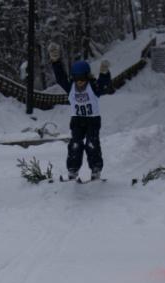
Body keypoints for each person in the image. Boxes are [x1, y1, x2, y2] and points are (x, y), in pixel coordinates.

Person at [48, 43, 113, 181]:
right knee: (75, 144)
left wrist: (104, 73)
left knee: (92, 143)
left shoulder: (93, 87)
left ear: (88, 77)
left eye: (83, 79)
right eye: (77, 80)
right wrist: (55, 61)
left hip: (93, 120)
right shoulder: (70, 86)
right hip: (77, 120)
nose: (80, 83)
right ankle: (73, 170)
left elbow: (104, 85)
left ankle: (95, 169)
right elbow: (60, 77)